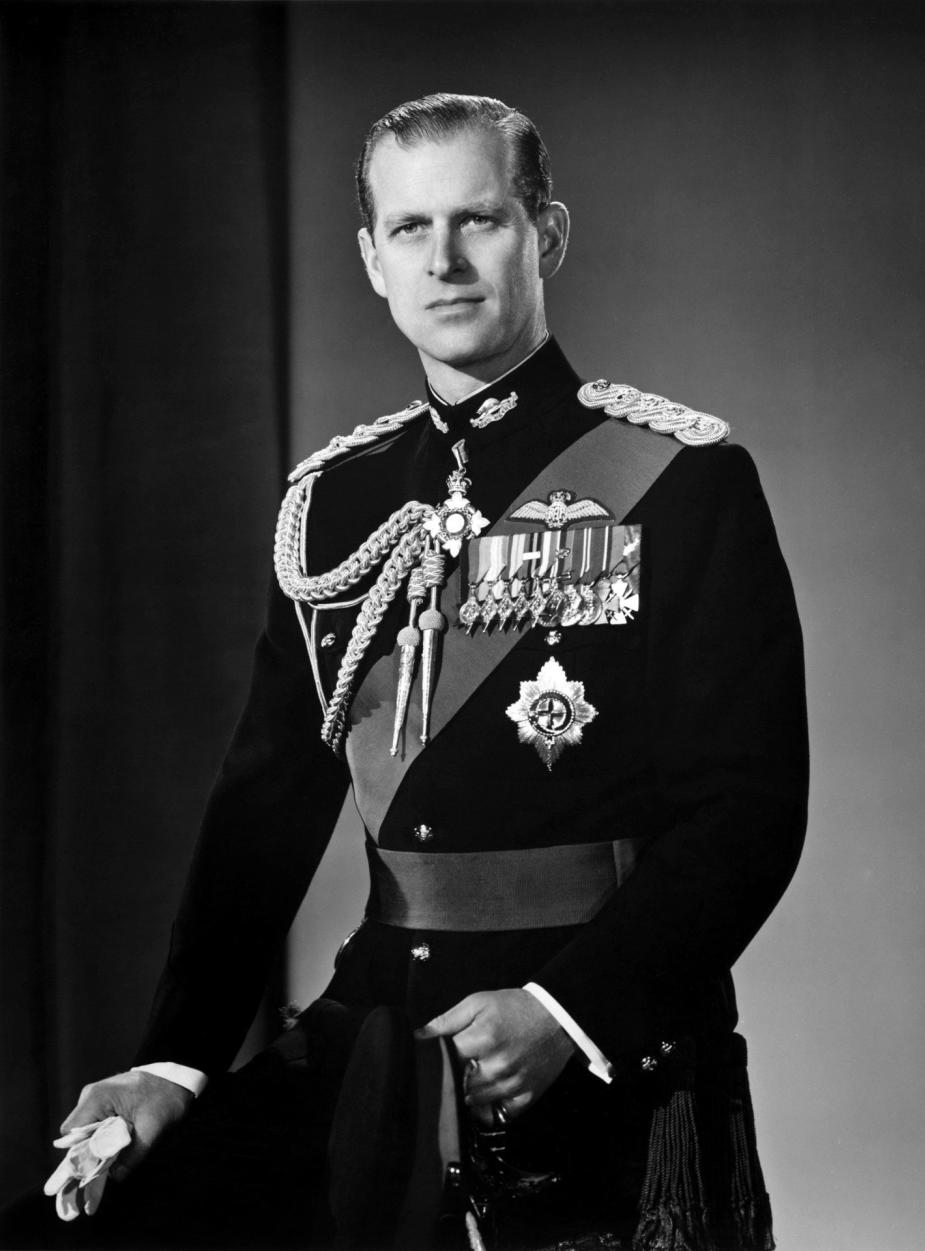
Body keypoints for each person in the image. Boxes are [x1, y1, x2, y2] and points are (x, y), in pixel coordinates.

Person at [6, 93, 807, 1250]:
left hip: (601, 1049)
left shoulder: (681, 482)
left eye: (478, 221)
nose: (444, 260)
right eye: (410, 229)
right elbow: (262, 817)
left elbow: (752, 812)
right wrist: (173, 1063)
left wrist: (567, 1011)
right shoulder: (334, 503)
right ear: (372, 260)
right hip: (381, 1037)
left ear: (548, 233)